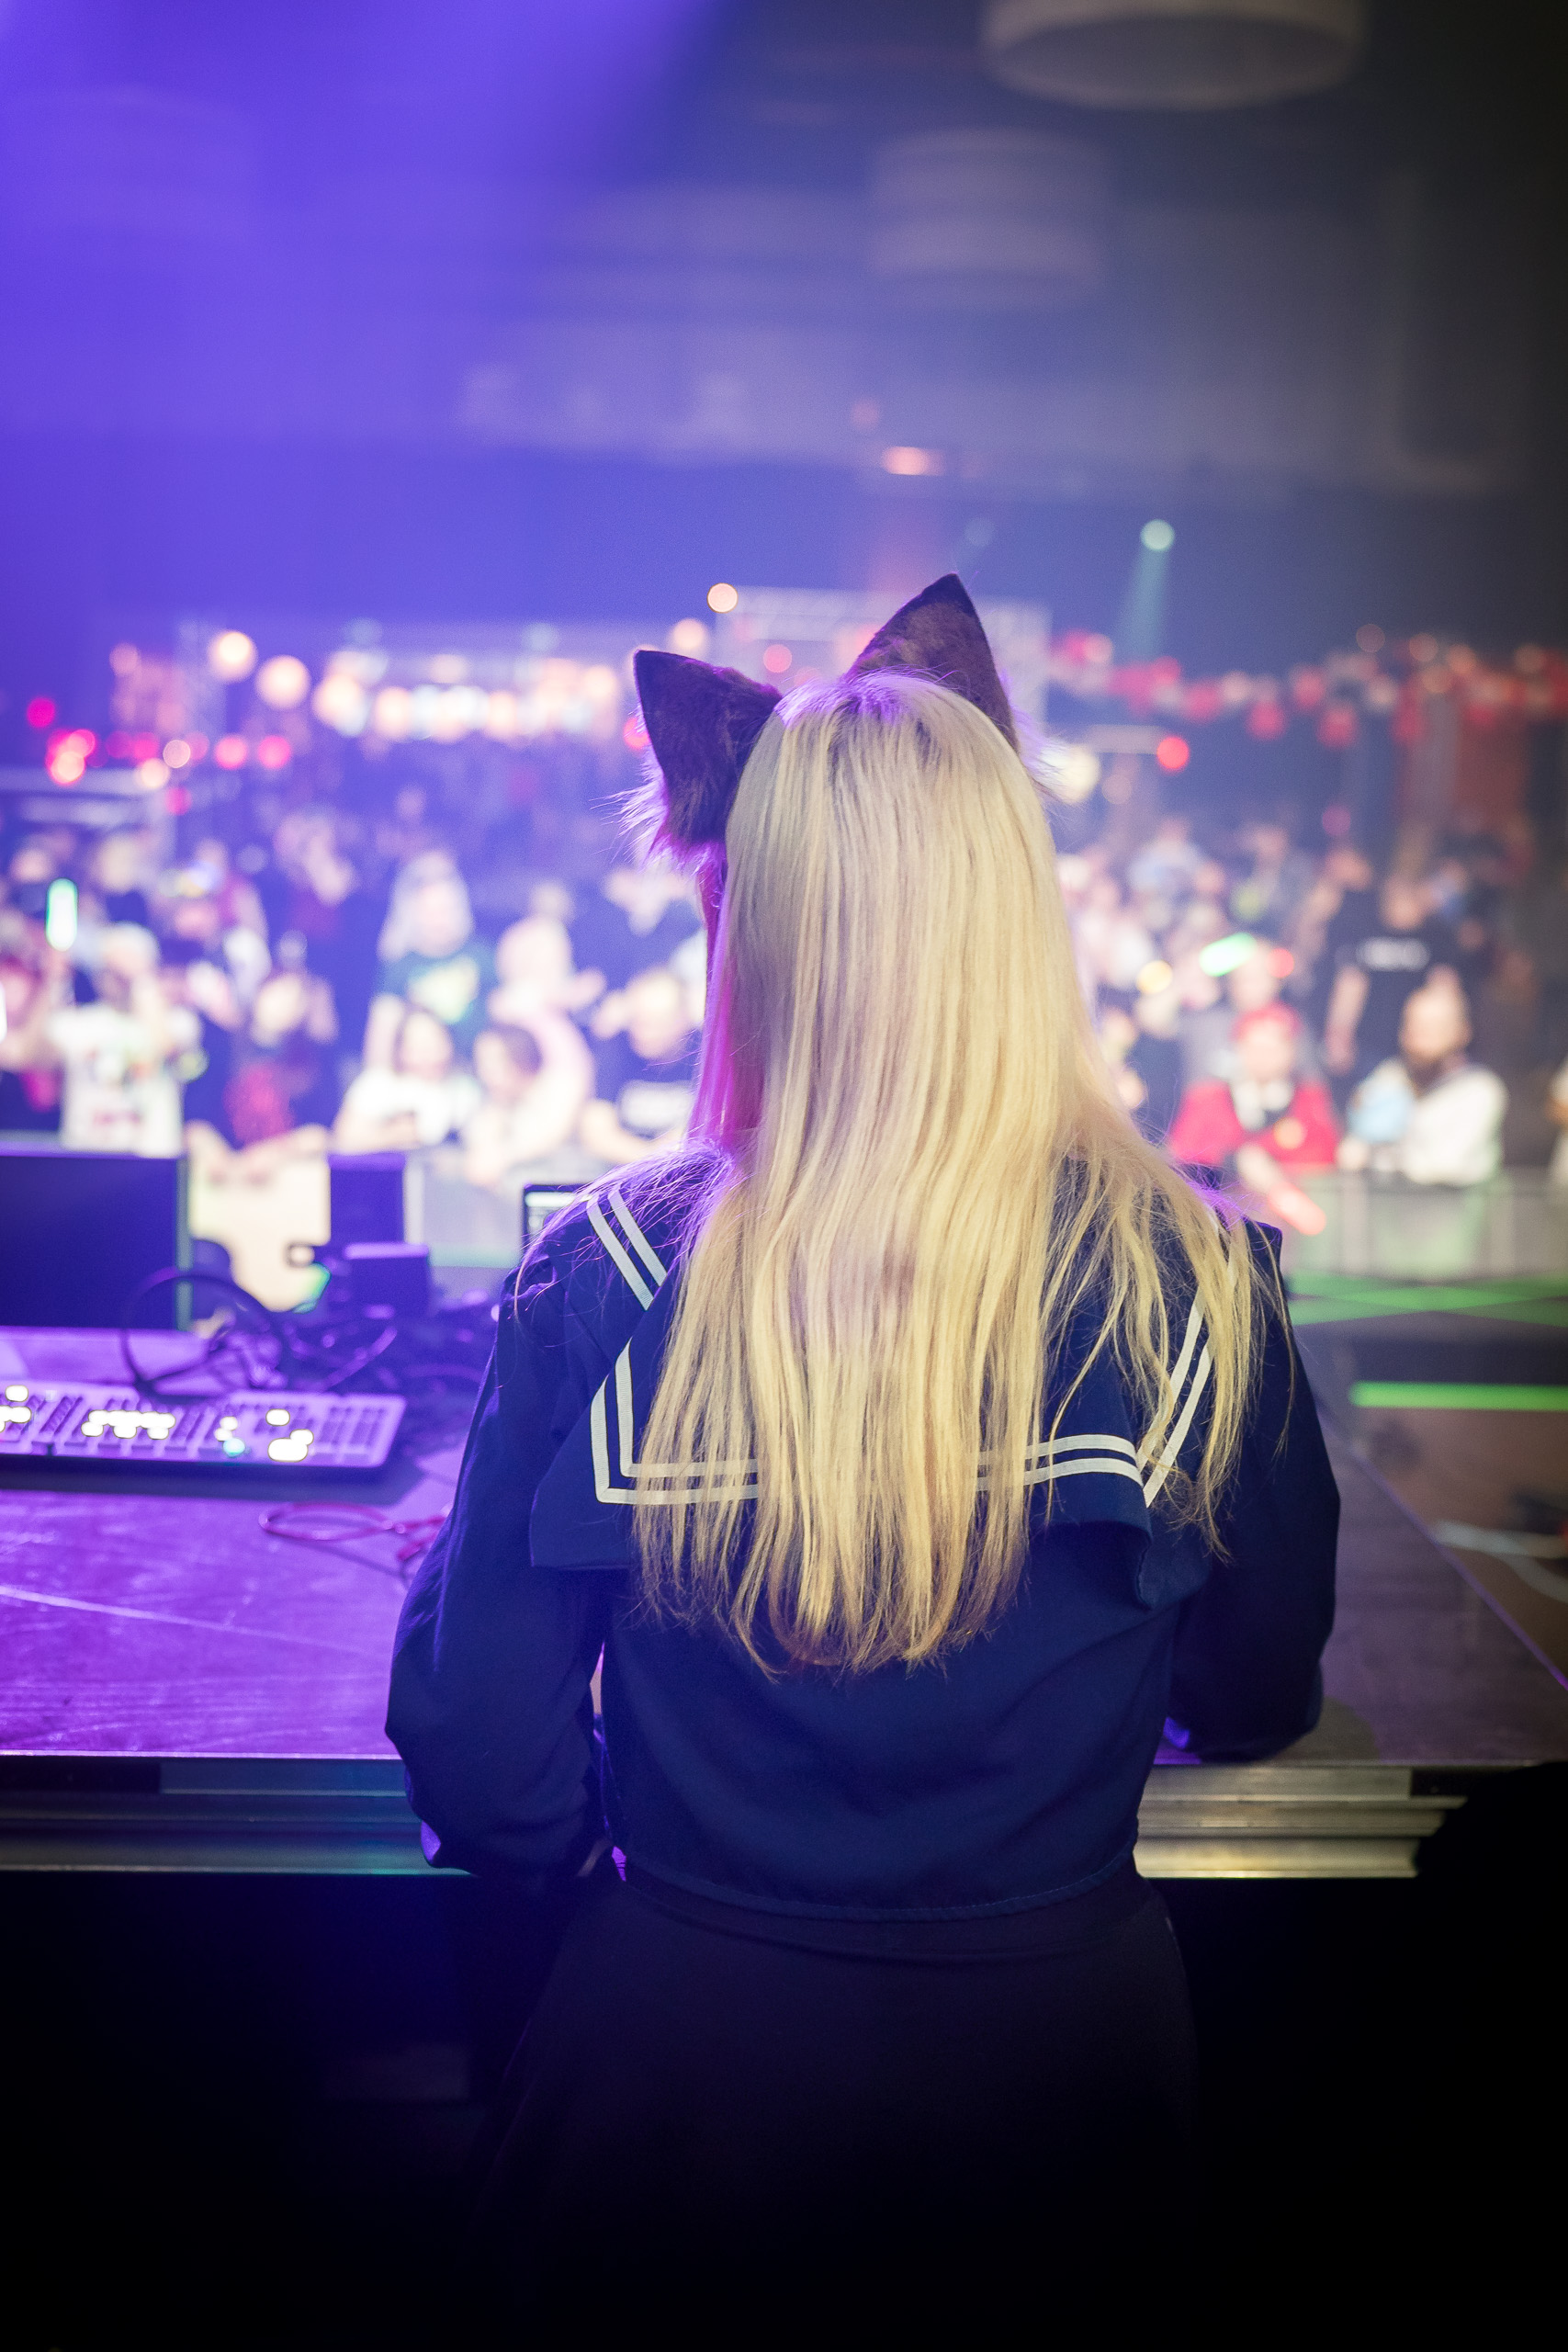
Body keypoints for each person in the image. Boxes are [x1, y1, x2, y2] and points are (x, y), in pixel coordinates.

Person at [388, 576, 1337, 2328]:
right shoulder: (1202, 1277)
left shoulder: (602, 1268)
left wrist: (625, 1892)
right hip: (1069, 2076)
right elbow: (1258, 1691)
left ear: (745, 921)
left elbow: (482, 1757)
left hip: (670, 2064)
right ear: (1016, 916)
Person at [1168, 1004, 1338, 1234]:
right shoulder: (1207, 1098)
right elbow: (1183, 1153)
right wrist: (1234, 1162)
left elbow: (1326, 1153)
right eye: (1253, 1047)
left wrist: (1271, 1165)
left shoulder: (1309, 1099)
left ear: (1291, 1051)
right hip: (1220, 1225)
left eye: (1272, 1048)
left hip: (1291, 1229)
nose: (1262, 1057)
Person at [1338, 977, 1506, 1186]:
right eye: (1412, 1025)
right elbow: (1353, 1145)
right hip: (1390, 1201)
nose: (1418, 1037)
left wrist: (1375, 1156)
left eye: (1432, 1027)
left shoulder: (1481, 1090)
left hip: (1454, 1202)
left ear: (1462, 1032)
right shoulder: (1391, 1075)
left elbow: (1444, 1166)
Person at [47, 924, 197, 1156]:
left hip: (152, 1157)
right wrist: (52, 978)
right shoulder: (77, 1023)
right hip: (87, 1155)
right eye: (108, 968)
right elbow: (30, 1056)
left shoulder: (177, 1020)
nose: (116, 977)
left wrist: (141, 980)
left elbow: (166, 1047)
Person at [1322, 870, 1460, 1084]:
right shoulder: (1365, 931)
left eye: (1405, 896)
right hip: (1369, 1042)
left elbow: (1445, 988)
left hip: (1419, 1044)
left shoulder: (1436, 937)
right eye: (1393, 897)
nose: (1398, 904)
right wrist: (1339, 1035)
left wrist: (1450, 1042)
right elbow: (1350, 985)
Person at [365, 856, 495, 1066]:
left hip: (478, 1071)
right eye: (429, 912)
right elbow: (381, 1036)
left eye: (445, 909)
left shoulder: (482, 955)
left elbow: (504, 1019)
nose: (438, 920)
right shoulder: (399, 967)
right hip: (420, 1077)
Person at [579, 963, 700, 1165]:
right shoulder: (616, 1048)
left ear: (684, 1019)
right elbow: (596, 1133)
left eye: (656, 1022)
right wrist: (653, 1159)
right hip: (628, 1170)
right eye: (637, 1021)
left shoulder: (705, 1051)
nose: (643, 1033)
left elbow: (719, 1123)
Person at [462, 1014, 594, 1190]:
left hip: (571, 1189)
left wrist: (501, 1157)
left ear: (521, 1058)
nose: (485, 1072)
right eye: (482, 1063)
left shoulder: (562, 1085)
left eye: (493, 1062)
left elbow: (551, 1135)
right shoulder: (498, 1099)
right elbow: (479, 1142)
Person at [333, 1005, 480, 1155]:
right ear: (400, 1049)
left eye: (437, 1042)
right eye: (421, 1046)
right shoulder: (379, 1083)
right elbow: (344, 1138)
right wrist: (395, 1135)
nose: (431, 1053)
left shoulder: (464, 1089)